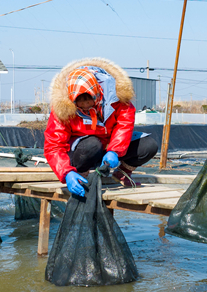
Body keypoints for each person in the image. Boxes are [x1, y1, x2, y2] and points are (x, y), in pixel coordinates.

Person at [44, 58, 158, 196]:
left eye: (89, 101)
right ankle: (81, 176)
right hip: (84, 151)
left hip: (109, 148)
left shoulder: (117, 100)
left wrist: (114, 151)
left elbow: (124, 126)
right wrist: (66, 172)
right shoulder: (62, 110)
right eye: (80, 103)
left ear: (97, 93)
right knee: (92, 145)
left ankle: (122, 173)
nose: (86, 106)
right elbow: (53, 146)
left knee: (148, 145)